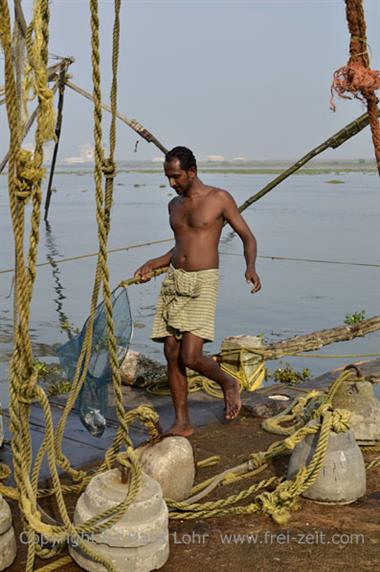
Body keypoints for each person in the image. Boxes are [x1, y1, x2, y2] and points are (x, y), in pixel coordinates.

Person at [134, 146, 261, 436]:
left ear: (192, 171)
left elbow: (248, 237)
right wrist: (153, 264)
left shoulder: (219, 199)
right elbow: (181, 247)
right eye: (168, 177)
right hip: (174, 280)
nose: (172, 183)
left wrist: (250, 267)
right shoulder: (174, 205)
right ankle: (183, 422)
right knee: (171, 352)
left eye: (176, 177)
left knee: (191, 356)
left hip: (203, 282)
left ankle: (228, 382)